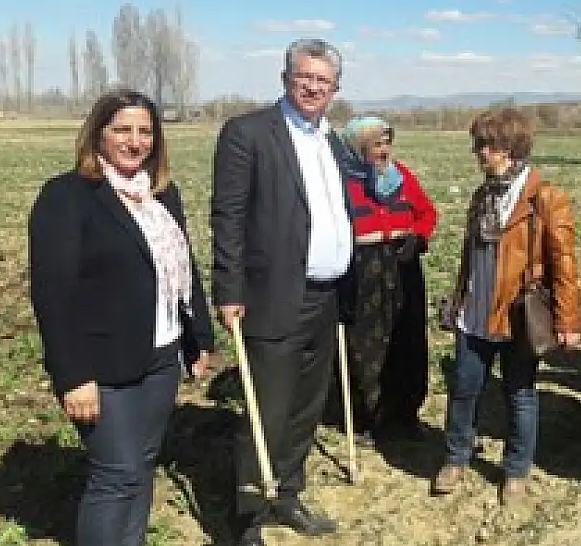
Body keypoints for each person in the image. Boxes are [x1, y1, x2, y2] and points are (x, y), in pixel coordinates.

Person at [28, 89, 215, 546]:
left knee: (142, 465)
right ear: (98, 134)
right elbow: (53, 296)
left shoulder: (162, 196)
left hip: (160, 359)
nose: (135, 141)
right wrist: (73, 377)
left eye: (145, 131)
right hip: (101, 367)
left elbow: (185, 271)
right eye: (122, 130)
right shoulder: (69, 197)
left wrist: (198, 340)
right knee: (116, 474)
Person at [210, 39, 354, 546]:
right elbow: (227, 216)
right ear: (286, 78)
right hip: (272, 295)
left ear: (335, 89)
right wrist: (228, 289)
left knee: (305, 407)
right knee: (266, 406)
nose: (314, 87)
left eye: (324, 81)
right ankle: (248, 516)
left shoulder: (331, 140)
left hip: (325, 294)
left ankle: (287, 494)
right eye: (305, 77)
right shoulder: (249, 133)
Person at [432, 107, 581, 506]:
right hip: (474, 316)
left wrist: (567, 320)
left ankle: (516, 470)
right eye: (478, 144)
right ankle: (456, 459)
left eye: (489, 145)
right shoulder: (482, 195)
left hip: (517, 318)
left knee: (520, 394)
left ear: (513, 149)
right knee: (463, 390)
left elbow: (564, 266)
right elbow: (470, 256)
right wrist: (457, 300)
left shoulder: (546, 200)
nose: (480, 153)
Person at [331, 115, 438, 444]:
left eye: (386, 143)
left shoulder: (402, 176)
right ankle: (368, 418)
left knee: (407, 341)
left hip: (403, 264)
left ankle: (405, 413)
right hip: (362, 268)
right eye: (376, 144)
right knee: (366, 345)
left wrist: (418, 237)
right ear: (357, 147)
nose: (384, 150)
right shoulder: (339, 181)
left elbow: (427, 213)